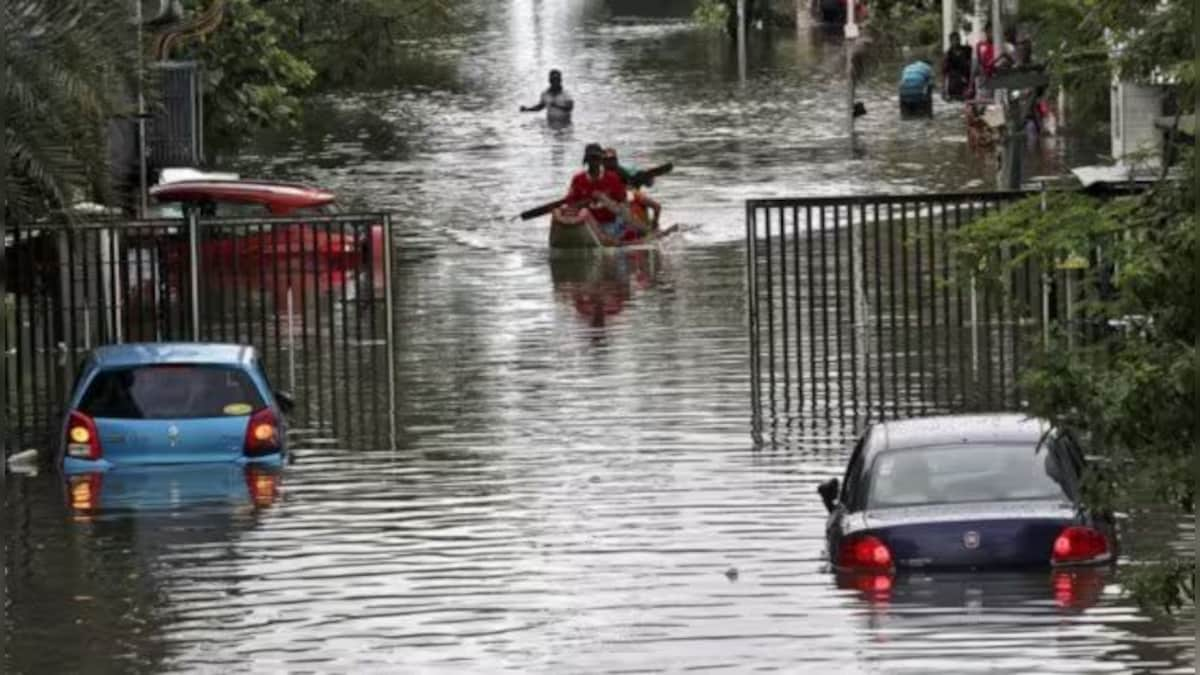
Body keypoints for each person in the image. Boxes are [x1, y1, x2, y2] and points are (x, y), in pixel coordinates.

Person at [563, 143, 629, 244]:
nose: (594, 162)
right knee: (562, 212)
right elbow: (570, 205)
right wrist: (586, 202)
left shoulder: (612, 179)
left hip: (608, 223)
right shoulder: (578, 180)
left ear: (601, 160)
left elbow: (623, 203)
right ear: (586, 160)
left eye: (596, 158)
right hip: (586, 224)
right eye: (591, 158)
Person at [942, 32, 972, 102]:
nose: (956, 42)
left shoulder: (967, 50)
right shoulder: (948, 54)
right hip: (954, 84)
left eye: (957, 39)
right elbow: (944, 72)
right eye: (954, 40)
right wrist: (943, 89)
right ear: (951, 41)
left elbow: (971, 64)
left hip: (966, 82)